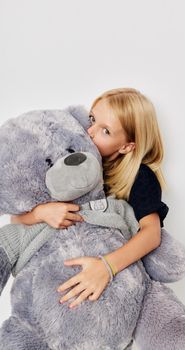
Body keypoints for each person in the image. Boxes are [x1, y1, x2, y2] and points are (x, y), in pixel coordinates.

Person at [11, 87, 169, 309]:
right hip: (57, 276)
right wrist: (40, 213)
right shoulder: (67, 163)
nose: (90, 131)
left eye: (105, 131)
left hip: (109, 285)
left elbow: (152, 234)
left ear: (126, 146)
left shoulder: (138, 177)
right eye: (92, 119)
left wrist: (106, 267)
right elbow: (16, 221)